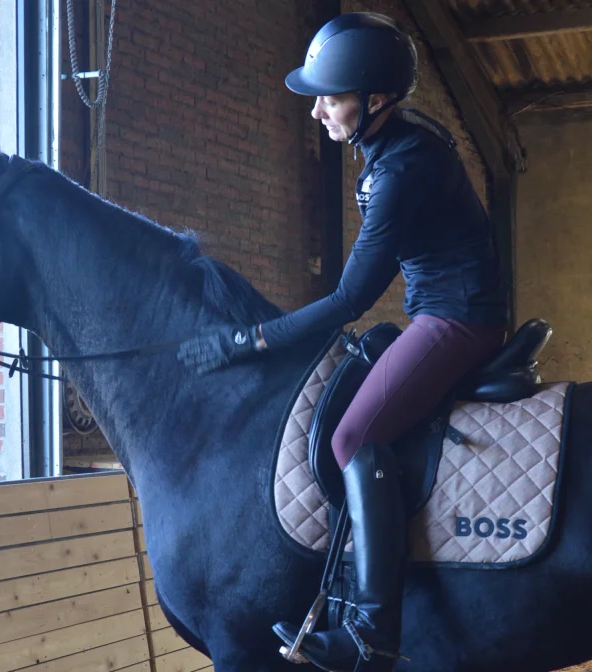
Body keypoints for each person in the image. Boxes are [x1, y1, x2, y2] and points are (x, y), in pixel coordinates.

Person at [178, 11, 509, 671]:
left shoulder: (399, 171)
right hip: (438, 312)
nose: (317, 112)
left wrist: (251, 340)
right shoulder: (396, 145)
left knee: (352, 436)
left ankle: (371, 634)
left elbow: (349, 300)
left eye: (329, 99)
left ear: (376, 100)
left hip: (457, 319)